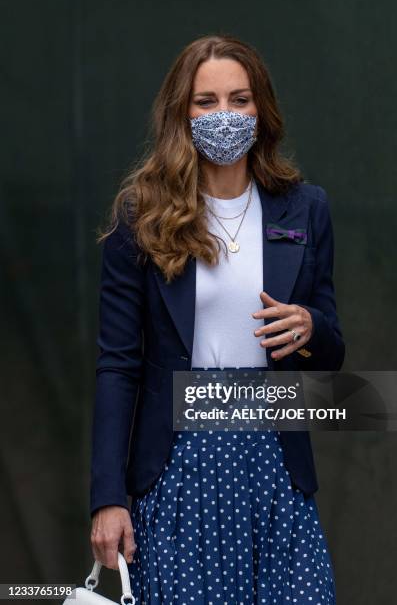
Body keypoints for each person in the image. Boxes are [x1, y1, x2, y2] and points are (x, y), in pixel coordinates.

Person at [90, 34, 345, 604]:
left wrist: (309, 326)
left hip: (276, 464)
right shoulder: (143, 216)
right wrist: (108, 497)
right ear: (182, 114)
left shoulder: (305, 208)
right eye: (206, 101)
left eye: (239, 99)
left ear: (262, 110)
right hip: (180, 468)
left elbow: (331, 346)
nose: (224, 115)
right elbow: (117, 366)